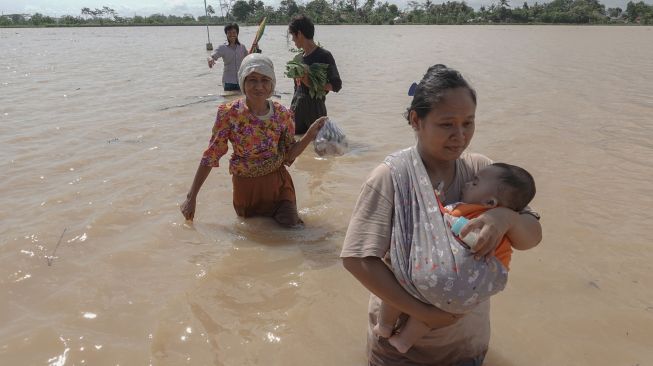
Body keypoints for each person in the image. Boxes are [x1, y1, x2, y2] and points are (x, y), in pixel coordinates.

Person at [340, 64, 542, 366]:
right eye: (447, 124)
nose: (459, 136)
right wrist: (425, 314)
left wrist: (506, 219)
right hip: (401, 351)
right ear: (416, 120)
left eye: (468, 123)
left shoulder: (481, 172)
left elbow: (531, 238)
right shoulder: (392, 178)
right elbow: (357, 259)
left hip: (467, 345)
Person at [374, 162, 537, 354]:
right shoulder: (506, 228)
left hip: (445, 277)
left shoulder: (470, 211)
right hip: (476, 287)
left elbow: (439, 218)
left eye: (475, 183)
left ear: (490, 203)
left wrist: (434, 199)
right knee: (439, 302)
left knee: (400, 279)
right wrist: (509, 218)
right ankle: (404, 341)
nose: (467, 183)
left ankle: (385, 325)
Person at [181, 54, 326, 227]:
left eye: (265, 80)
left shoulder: (283, 114)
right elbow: (212, 155)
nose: (259, 86)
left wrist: (309, 135)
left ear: (272, 83)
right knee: (253, 234)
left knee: (292, 229)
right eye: (252, 80)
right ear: (243, 81)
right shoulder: (229, 113)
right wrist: (192, 197)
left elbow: (289, 155)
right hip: (246, 190)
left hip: (278, 186)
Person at [288, 15, 342, 135]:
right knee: (297, 144)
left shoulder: (324, 55)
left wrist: (312, 84)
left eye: (293, 35)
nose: (292, 39)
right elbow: (296, 88)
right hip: (297, 108)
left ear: (300, 34)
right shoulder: (299, 59)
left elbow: (336, 85)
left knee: (319, 148)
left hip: (315, 109)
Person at [207, 23, 260, 92]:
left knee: (241, 100)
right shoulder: (222, 47)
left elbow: (249, 59)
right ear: (226, 34)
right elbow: (211, 56)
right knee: (228, 101)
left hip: (241, 79)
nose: (232, 35)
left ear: (237, 33)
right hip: (228, 81)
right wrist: (210, 60)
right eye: (229, 33)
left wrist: (257, 49)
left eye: (234, 32)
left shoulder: (242, 47)